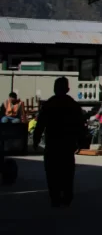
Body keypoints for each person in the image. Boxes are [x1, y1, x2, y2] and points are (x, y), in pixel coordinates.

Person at [32, 77, 85, 208]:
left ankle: (55, 197)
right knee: (67, 171)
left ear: (54, 89)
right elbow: (80, 125)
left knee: (52, 172)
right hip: (67, 144)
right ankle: (67, 196)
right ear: (68, 89)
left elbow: (40, 124)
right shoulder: (73, 105)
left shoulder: (49, 104)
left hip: (53, 144)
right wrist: (81, 141)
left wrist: (36, 140)